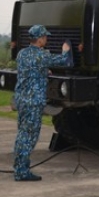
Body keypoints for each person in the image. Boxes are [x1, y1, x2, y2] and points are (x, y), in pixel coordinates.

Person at [12, 25, 71, 181]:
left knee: (22, 134)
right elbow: (64, 61)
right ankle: (22, 172)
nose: (46, 39)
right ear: (39, 39)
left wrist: (45, 71)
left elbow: (30, 70)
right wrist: (66, 49)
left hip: (22, 99)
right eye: (45, 37)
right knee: (29, 137)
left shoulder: (22, 54)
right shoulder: (42, 56)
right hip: (33, 102)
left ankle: (19, 167)